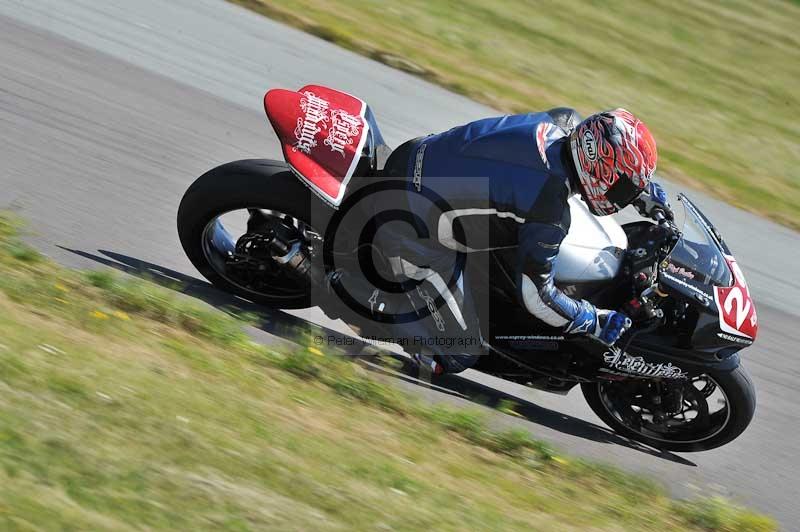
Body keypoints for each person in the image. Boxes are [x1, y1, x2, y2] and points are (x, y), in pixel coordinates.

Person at [376, 107, 670, 375]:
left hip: (419, 154)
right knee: (460, 352)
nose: (622, 196)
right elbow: (537, 297)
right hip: (409, 225)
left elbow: (602, 156)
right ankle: (371, 295)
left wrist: (641, 192)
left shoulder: (562, 122)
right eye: (623, 187)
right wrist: (592, 319)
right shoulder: (549, 211)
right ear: (600, 170)